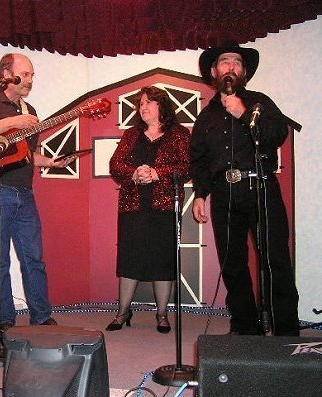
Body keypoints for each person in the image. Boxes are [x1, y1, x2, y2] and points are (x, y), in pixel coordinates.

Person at [190, 42, 299, 336]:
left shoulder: (260, 102)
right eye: (225, 62)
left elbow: (278, 134)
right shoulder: (205, 116)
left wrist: (244, 113)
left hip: (260, 186)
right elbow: (199, 159)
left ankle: (285, 331)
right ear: (214, 72)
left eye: (237, 63)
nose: (231, 67)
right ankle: (245, 327)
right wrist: (200, 193)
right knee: (232, 263)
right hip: (225, 194)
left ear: (244, 72)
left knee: (275, 258)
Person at [0, 53, 74, 330]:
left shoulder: (31, 111)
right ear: (6, 74)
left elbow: (25, 155)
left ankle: (41, 316)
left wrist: (51, 162)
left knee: (34, 258)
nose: (29, 81)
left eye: (31, 76)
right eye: (25, 74)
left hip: (25, 192)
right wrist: (11, 124)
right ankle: (4, 318)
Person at [107, 86, 191, 334]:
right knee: (130, 259)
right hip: (133, 205)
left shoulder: (179, 134)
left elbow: (186, 166)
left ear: (161, 106)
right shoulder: (131, 135)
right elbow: (115, 165)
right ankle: (123, 313)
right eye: (140, 103)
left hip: (164, 206)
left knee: (162, 261)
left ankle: (162, 315)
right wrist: (134, 173)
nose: (142, 107)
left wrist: (157, 173)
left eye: (148, 102)